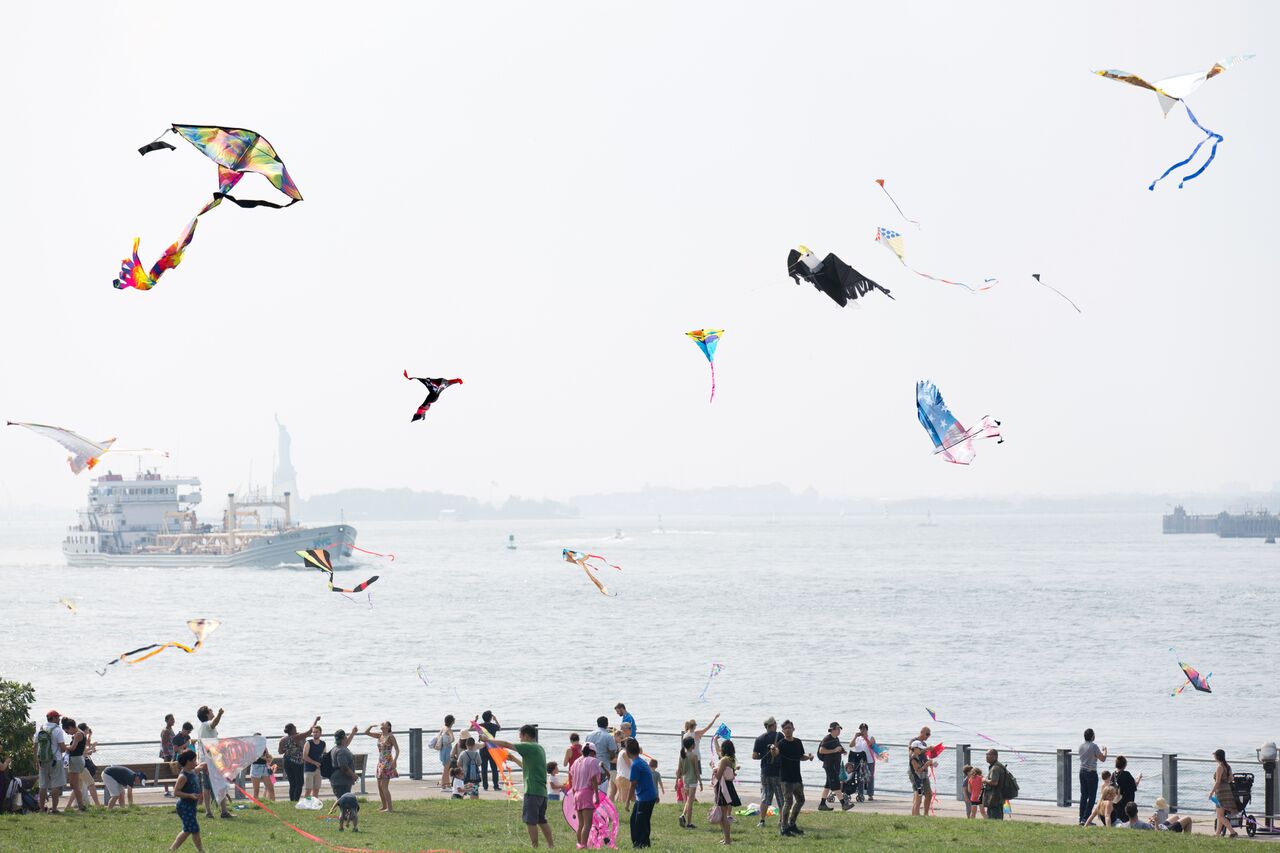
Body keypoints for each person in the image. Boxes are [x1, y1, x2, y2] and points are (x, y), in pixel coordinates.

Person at [483, 724, 552, 849]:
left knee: (530, 821)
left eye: (520, 736)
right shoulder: (539, 748)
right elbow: (526, 767)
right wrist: (514, 759)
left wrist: (488, 740)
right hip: (542, 792)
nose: (520, 739)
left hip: (532, 791)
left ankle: (535, 847)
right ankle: (551, 846)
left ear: (526, 736)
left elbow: (506, 744)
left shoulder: (528, 746)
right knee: (542, 820)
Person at [773, 720, 812, 837]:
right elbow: (775, 753)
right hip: (786, 778)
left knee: (801, 800)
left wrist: (808, 757)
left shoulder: (798, 742)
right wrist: (773, 749)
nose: (788, 730)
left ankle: (792, 824)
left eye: (790, 727)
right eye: (786, 728)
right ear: (782, 731)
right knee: (788, 802)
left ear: (793, 729)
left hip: (797, 777)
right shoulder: (780, 743)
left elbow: (801, 756)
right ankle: (783, 827)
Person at [196, 706, 231, 819]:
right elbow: (214, 723)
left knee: (207, 787)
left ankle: (209, 812)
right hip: (211, 761)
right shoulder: (206, 725)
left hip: (207, 760)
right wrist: (220, 714)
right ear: (207, 714)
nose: (212, 712)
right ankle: (223, 811)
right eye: (210, 710)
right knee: (219, 784)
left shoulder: (202, 727)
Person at [752, 716, 785, 829]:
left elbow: (754, 756)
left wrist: (763, 755)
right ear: (773, 725)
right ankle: (781, 821)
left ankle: (762, 821)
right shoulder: (780, 736)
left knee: (765, 797)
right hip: (777, 771)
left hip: (765, 772)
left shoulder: (759, 739)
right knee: (781, 798)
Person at [34, 710, 68, 813]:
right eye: (58, 717)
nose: (59, 719)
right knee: (55, 785)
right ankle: (54, 809)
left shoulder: (40, 729)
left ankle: (41, 809)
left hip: (42, 760)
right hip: (55, 760)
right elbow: (62, 748)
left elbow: (35, 746)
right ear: (53, 718)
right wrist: (68, 748)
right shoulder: (57, 730)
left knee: (43, 786)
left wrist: (36, 760)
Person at [361, 722, 399, 812]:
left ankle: (390, 808)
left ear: (388, 727)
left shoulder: (390, 736)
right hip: (380, 762)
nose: (382, 724)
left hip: (387, 762)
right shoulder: (380, 735)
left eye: (384, 723)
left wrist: (395, 761)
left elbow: (397, 749)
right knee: (379, 786)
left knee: (384, 786)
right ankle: (384, 806)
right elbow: (366, 732)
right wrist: (370, 726)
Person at [279, 717, 319, 803]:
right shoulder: (296, 737)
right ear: (292, 729)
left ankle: (292, 801)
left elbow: (280, 751)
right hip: (296, 762)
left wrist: (289, 749)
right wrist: (316, 720)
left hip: (286, 761)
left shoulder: (283, 739)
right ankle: (295, 801)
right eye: (294, 727)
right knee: (299, 783)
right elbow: (310, 731)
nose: (296, 728)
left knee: (292, 783)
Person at [628, 739, 659, 848]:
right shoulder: (641, 761)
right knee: (637, 820)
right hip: (646, 796)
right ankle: (642, 843)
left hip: (645, 797)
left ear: (628, 752)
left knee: (640, 822)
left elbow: (633, 784)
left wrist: (627, 802)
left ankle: (641, 844)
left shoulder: (636, 765)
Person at [170, 750, 203, 852]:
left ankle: (172, 849)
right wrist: (189, 795)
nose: (196, 762)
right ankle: (201, 850)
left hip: (191, 806)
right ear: (188, 762)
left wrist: (207, 764)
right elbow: (176, 792)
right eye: (194, 760)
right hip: (185, 806)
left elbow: (200, 767)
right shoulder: (183, 776)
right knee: (194, 829)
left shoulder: (192, 771)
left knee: (187, 830)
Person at [570, 743, 602, 848]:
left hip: (577, 793)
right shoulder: (593, 761)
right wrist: (596, 795)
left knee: (581, 824)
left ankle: (579, 844)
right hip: (586, 793)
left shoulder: (576, 762)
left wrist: (574, 795)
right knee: (587, 823)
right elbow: (593, 779)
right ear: (592, 752)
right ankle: (583, 845)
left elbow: (572, 779)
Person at [817, 722, 852, 811]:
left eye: (840, 729)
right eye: (837, 729)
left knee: (827, 786)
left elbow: (838, 747)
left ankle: (822, 804)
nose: (839, 730)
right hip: (830, 766)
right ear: (832, 730)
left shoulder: (836, 739)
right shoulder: (827, 739)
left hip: (834, 766)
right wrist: (834, 750)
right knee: (836, 785)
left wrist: (842, 751)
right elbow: (821, 750)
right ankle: (844, 804)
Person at [711, 738, 740, 845]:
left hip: (723, 788)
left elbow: (718, 775)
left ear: (724, 749)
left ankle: (727, 839)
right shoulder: (731, 760)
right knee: (723, 814)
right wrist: (715, 740)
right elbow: (718, 751)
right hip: (728, 786)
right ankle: (726, 838)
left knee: (723, 816)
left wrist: (713, 768)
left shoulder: (724, 760)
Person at [1078, 728, 1108, 826]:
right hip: (1091, 773)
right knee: (1092, 797)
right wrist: (1105, 751)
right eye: (1094, 734)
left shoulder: (1081, 746)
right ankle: (1086, 819)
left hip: (1082, 772)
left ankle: (1081, 818)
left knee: (1083, 796)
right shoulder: (1093, 746)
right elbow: (1102, 758)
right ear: (1092, 736)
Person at [586, 716, 619, 798]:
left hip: (589, 765)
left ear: (597, 723)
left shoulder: (589, 735)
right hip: (603, 766)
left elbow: (586, 749)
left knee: (590, 788)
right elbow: (613, 751)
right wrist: (611, 757)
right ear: (607, 724)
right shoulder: (608, 736)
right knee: (602, 789)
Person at [1212, 748, 1239, 838]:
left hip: (1220, 793)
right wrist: (1226, 782)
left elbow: (1217, 782)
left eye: (1215, 756)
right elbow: (1231, 778)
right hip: (1227, 791)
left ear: (1217, 757)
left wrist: (1211, 792)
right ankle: (1217, 834)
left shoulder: (1219, 767)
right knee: (1220, 815)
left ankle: (1233, 832)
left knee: (1220, 816)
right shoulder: (1227, 766)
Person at [909, 727, 935, 817]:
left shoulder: (922, 745)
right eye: (927, 734)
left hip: (923, 775)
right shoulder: (913, 743)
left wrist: (930, 763)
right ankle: (916, 815)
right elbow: (918, 770)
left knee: (926, 795)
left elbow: (923, 758)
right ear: (922, 732)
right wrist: (927, 749)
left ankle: (923, 814)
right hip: (917, 777)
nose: (928, 736)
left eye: (929, 734)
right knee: (918, 797)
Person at [62, 717, 88, 811]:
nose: (68, 733)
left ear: (70, 727)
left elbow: (72, 748)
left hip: (76, 760)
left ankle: (81, 805)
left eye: (67, 731)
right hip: (77, 759)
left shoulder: (78, 734)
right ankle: (81, 805)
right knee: (74, 785)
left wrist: (63, 747)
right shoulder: (81, 733)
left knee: (74, 785)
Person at [1110, 755, 1141, 826]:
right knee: (1126, 821)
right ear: (1125, 765)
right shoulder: (1126, 774)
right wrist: (1139, 778)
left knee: (1118, 820)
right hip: (1126, 802)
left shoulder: (1113, 775)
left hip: (1116, 802)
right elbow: (1134, 786)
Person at [329, 727, 358, 799]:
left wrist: (353, 732)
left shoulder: (336, 748)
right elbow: (344, 767)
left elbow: (346, 743)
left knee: (341, 800)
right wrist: (354, 776)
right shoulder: (341, 751)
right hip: (341, 782)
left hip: (340, 780)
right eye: (345, 736)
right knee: (344, 801)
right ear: (344, 738)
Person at [677, 736, 699, 829]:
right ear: (692, 745)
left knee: (689, 800)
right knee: (690, 803)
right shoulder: (694, 756)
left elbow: (679, 770)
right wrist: (701, 782)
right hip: (693, 780)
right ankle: (689, 823)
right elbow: (696, 771)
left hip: (685, 780)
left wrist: (676, 782)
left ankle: (683, 815)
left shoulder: (682, 755)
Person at [77, 722, 101, 807]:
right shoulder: (80, 738)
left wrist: (90, 736)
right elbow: (83, 752)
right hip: (82, 765)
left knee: (78, 787)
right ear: (84, 730)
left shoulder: (80, 737)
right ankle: (97, 805)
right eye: (87, 728)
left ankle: (72, 805)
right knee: (90, 784)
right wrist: (92, 747)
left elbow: (86, 747)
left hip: (79, 765)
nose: (88, 729)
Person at [302, 724, 327, 800]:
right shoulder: (308, 743)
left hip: (318, 770)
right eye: (314, 732)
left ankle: (314, 803)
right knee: (308, 790)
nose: (315, 734)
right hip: (309, 769)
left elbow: (324, 756)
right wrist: (315, 763)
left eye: (317, 732)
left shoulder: (323, 743)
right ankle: (307, 803)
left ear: (320, 733)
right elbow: (305, 756)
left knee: (316, 789)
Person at [479, 711, 502, 792]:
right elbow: (499, 728)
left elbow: (471, 728)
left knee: (484, 768)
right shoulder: (494, 726)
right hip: (492, 748)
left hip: (483, 747)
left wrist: (475, 720)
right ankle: (496, 786)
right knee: (494, 768)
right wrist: (495, 720)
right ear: (491, 718)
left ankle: (485, 786)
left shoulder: (480, 726)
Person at [249, 737, 277, 802]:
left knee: (270, 788)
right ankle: (256, 804)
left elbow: (269, 758)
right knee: (256, 790)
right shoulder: (251, 748)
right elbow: (249, 759)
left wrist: (266, 758)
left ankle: (273, 804)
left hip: (264, 767)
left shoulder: (264, 747)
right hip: (256, 768)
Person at [982, 749, 1007, 820]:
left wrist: (984, 780)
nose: (986, 756)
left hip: (995, 797)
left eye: (989, 755)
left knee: (994, 817)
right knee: (997, 817)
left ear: (995, 756)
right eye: (986, 755)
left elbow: (994, 782)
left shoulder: (995, 768)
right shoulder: (998, 765)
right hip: (998, 796)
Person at [434, 715, 456, 790]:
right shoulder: (449, 730)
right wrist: (449, 742)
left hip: (442, 749)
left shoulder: (443, 728)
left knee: (445, 768)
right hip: (447, 750)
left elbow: (438, 737)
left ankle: (447, 785)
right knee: (446, 769)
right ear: (452, 722)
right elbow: (453, 739)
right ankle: (444, 786)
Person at [615, 726, 634, 809]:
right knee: (624, 799)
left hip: (620, 776)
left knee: (622, 798)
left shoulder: (621, 752)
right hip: (624, 777)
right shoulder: (624, 753)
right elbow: (630, 765)